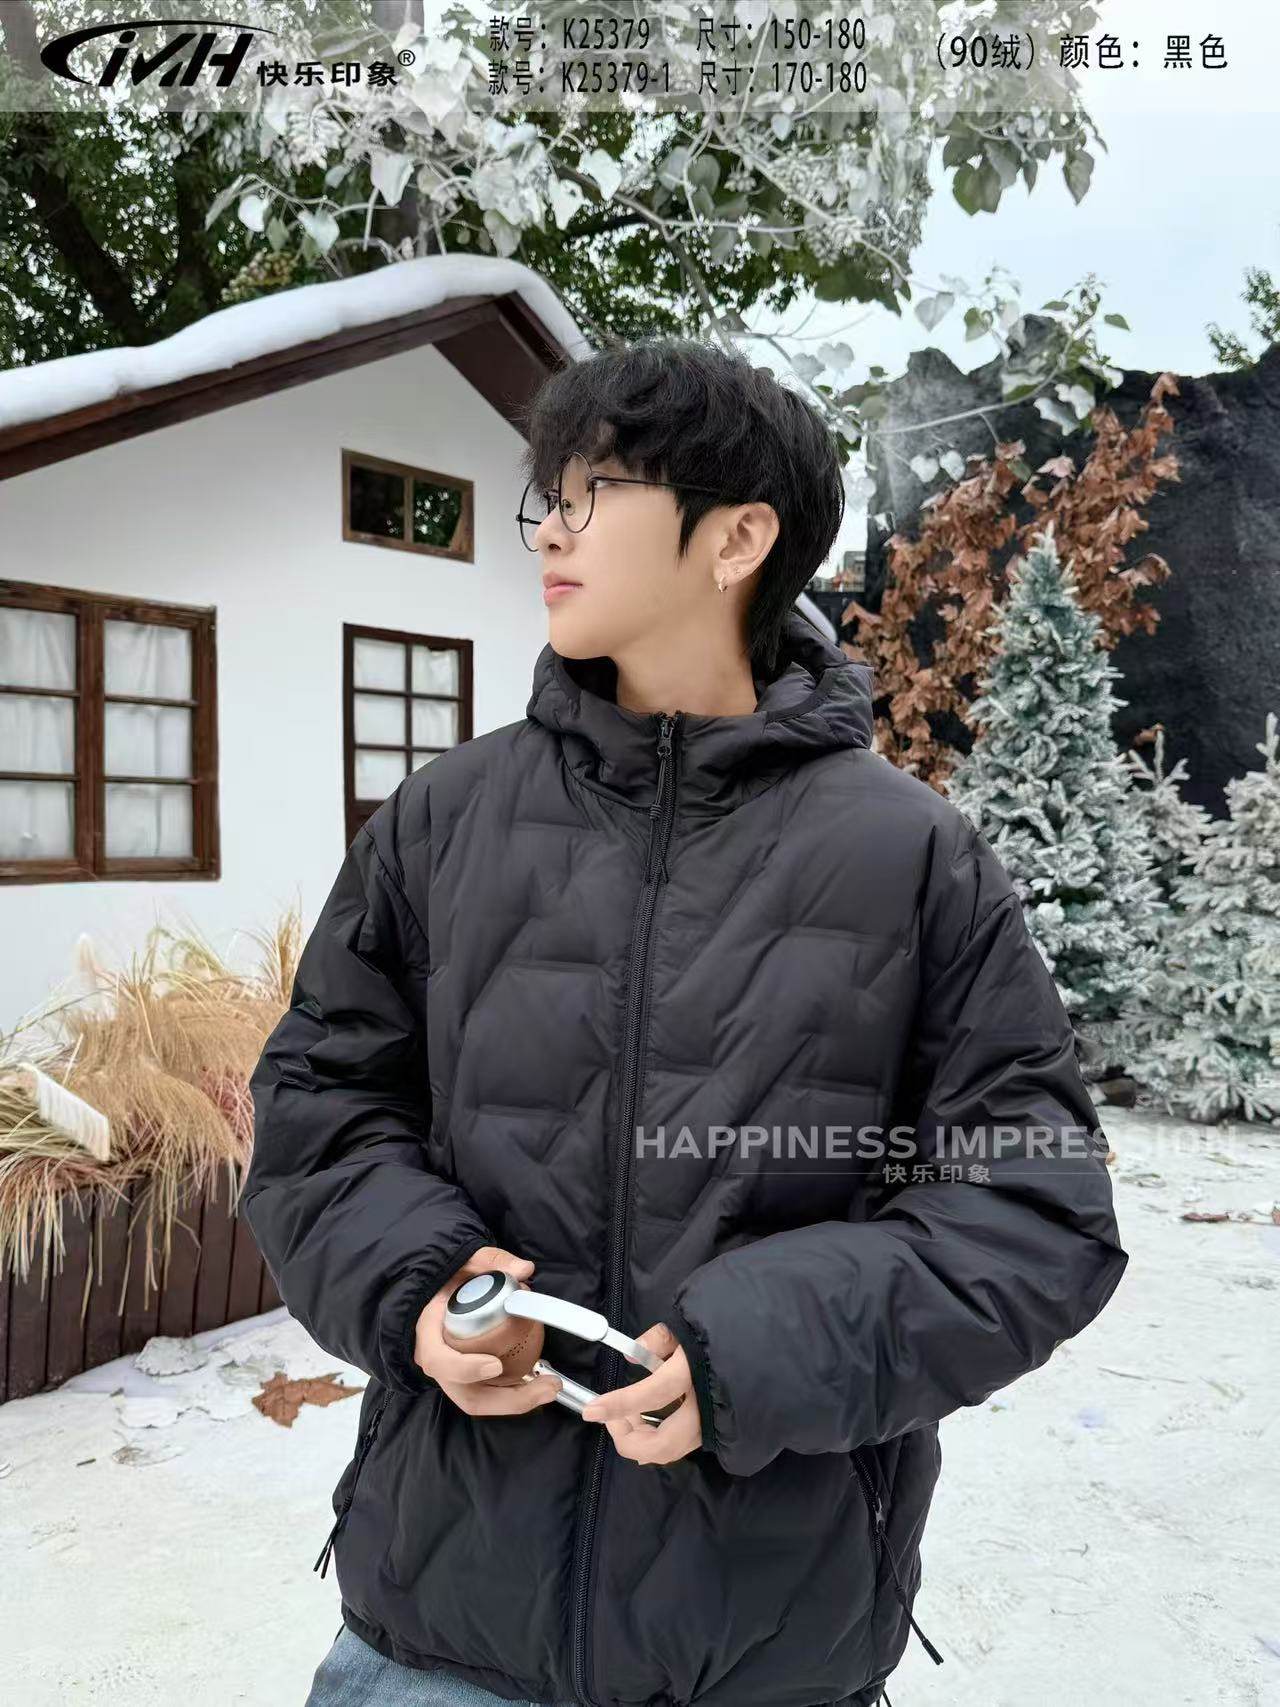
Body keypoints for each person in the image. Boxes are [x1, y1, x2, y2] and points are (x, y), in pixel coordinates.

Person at [242, 337, 1130, 1707]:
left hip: (764, 1638)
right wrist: (423, 1293)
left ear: (738, 539)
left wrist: (754, 1356)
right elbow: (321, 1108)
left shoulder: (914, 859)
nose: (551, 531)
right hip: (436, 1622)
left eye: (594, 494)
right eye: (548, 497)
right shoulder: (444, 820)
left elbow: (1033, 1206)